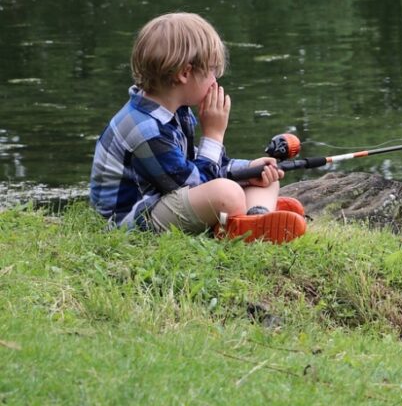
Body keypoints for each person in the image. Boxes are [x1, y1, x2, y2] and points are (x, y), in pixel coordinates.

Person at [89, 12, 306, 243]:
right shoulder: (145, 129)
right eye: (212, 71)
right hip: (133, 220)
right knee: (226, 193)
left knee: (266, 175)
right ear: (184, 73)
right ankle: (249, 217)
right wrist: (214, 134)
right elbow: (194, 184)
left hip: (169, 194)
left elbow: (200, 166)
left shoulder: (175, 111)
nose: (215, 81)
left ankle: (255, 217)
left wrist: (249, 169)